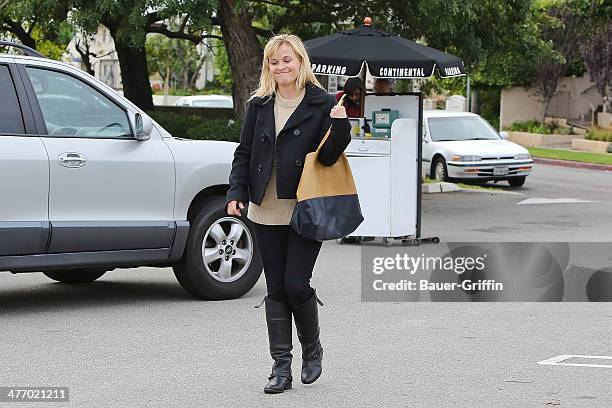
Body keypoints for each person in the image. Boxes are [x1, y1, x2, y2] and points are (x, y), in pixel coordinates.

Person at [225, 34, 351, 394]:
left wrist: (340, 125)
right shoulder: (260, 105)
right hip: (265, 208)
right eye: (274, 61)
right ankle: (281, 367)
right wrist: (236, 192)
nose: (281, 67)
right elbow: (244, 153)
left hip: (305, 209)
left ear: (300, 62)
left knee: (297, 284)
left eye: (287, 60)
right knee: (276, 289)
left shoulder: (321, 102)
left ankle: (313, 348)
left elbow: (328, 157)